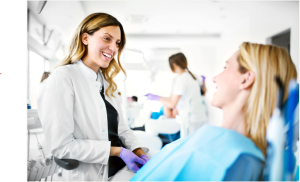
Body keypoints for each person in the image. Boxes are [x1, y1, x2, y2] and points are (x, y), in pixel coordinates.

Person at [130, 42, 298, 181]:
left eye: (226, 67)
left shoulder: (236, 159)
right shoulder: (218, 142)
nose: (215, 77)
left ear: (246, 79)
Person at [37, 13, 150, 181]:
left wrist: (139, 153)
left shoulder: (106, 82)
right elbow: (62, 147)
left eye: (117, 43)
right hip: (97, 174)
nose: (113, 48)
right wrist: (119, 151)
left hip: (122, 168)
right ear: (85, 38)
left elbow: (123, 129)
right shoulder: (64, 76)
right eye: (106, 39)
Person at [145, 52, 208, 137]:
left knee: (189, 144)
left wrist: (157, 99)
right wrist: (157, 96)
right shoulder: (191, 76)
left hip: (190, 118)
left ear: (174, 64)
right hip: (198, 116)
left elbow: (172, 103)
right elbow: (172, 98)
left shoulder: (182, 79)